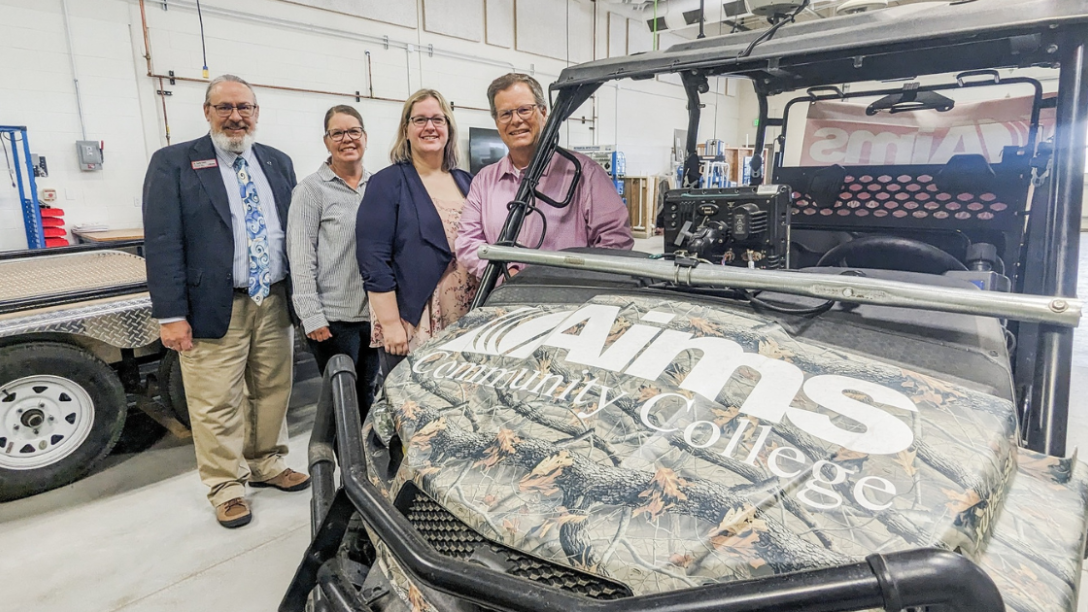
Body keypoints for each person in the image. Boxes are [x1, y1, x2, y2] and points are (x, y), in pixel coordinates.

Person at [143, 74, 309, 530]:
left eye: (244, 108)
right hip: (213, 305)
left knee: (272, 390)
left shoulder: (277, 162)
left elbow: (292, 231)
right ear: (207, 112)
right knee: (215, 401)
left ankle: (267, 463)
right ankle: (226, 486)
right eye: (225, 107)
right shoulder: (174, 163)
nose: (236, 117)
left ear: (256, 113)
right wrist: (171, 314)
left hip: (273, 299)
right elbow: (162, 243)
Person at [455, 73, 634, 279]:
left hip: (567, 294)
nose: (516, 120)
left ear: (543, 112)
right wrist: (508, 274)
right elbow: (467, 242)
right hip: (503, 294)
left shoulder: (586, 174)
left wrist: (570, 283)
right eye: (505, 114)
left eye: (524, 110)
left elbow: (615, 242)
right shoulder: (483, 181)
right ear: (497, 122)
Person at [357, 89, 476, 376]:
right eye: (420, 120)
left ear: (448, 128)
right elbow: (373, 259)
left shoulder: (467, 181)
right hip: (415, 321)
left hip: (467, 318)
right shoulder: (387, 183)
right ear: (406, 130)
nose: (429, 127)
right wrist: (390, 324)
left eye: (438, 119)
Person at [287, 105, 380, 414]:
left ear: (365, 136)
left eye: (353, 131)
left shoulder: (378, 186)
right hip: (335, 322)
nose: (347, 139)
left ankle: (365, 448)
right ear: (326, 141)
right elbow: (300, 257)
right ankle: (344, 450)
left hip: (375, 317)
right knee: (342, 405)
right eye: (337, 133)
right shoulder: (311, 191)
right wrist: (311, 316)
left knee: (368, 395)